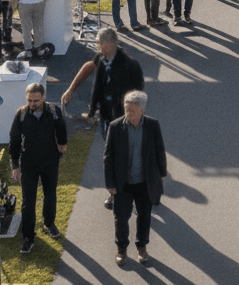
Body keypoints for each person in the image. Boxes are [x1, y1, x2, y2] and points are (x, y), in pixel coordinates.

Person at [61, 26, 144, 206]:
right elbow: (88, 67)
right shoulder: (102, 58)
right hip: (107, 118)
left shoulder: (128, 64)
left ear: (113, 43)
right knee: (111, 156)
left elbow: (138, 93)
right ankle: (115, 193)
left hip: (125, 119)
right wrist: (71, 89)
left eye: (103, 46)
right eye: (99, 45)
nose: (100, 49)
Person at [104, 90, 167, 267]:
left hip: (144, 183)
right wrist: (110, 184)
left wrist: (160, 177)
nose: (127, 113)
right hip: (122, 184)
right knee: (121, 218)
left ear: (141, 110)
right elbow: (108, 157)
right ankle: (121, 249)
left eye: (131, 110)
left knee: (144, 216)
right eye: (126, 109)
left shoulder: (153, 125)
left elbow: (159, 151)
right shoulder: (115, 127)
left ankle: (141, 247)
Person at [9, 83, 68, 254]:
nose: (32, 103)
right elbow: (14, 140)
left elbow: (61, 127)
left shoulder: (53, 111)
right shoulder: (21, 114)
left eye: (36, 100)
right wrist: (15, 165)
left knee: (50, 194)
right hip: (28, 163)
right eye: (29, 100)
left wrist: (62, 143)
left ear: (43, 97)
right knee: (28, 201)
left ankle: (49, 223)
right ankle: (28, 237)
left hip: (50, 161)